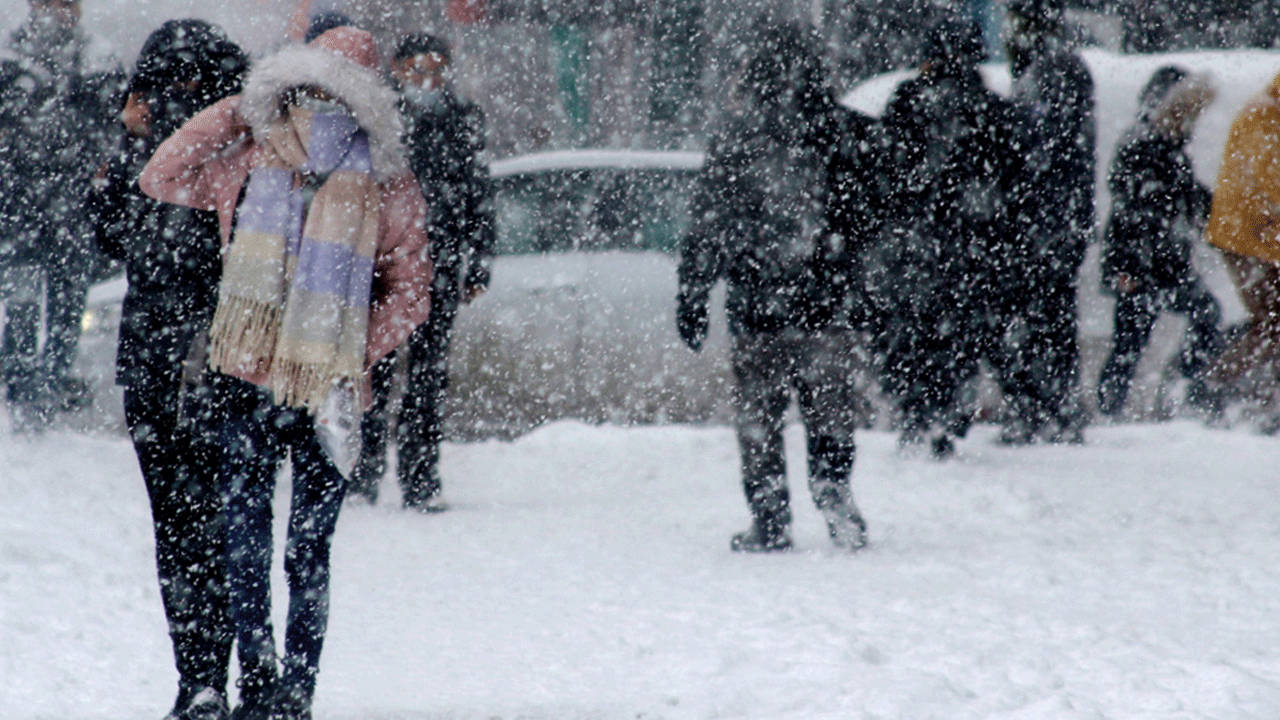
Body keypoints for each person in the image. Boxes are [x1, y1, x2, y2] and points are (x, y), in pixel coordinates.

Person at [139, 26, 432, 720]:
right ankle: (282, 684)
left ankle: (276, 684)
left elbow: (410, 291)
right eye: (302, 87)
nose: (313, 103)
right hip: (265, 384)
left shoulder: (379, 182)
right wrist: (243, 108)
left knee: (273, 541)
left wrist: (343, 352)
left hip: (310, 389)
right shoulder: (254, 157)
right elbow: (160, 175)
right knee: (287, 545)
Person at [90, 21, 249, 720]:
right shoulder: (153, 153)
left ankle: (214, 674)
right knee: (192, 529)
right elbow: (103, 230)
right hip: (167, 362)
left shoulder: (237, 151)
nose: (176, 97)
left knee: (205, 529)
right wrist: (127, 138)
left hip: (211, 359)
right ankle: (205, 676)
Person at [676, 21, 872, 553]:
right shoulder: (845, 132)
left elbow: (708, 224)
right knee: (830, 416)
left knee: (759, 422)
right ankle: (834, 495)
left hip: (758, 305)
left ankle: (769, 518)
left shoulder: (737, 138)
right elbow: (874, 218)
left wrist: (693, 293)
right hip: (827, 307)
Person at [347, 32, 494, 511]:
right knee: (375, 372)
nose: (427, 81)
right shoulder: (377, 119)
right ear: (397, 68)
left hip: (440, 264)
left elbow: (479, 193)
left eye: (437, 70)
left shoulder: (463, 120)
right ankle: (363, 472)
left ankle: (421, 477)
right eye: (418, 70)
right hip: (383, 266)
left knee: (428, 377)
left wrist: (480, 262)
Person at [874, 16, 1023, 459]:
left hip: (915, 244)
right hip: (974, 247)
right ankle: (948, 418)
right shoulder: (992, 108)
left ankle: (913, 412)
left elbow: (882, 169)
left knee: (911, 333)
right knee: (961, 337)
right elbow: (1014, 183)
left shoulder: (907, 101)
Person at [0, 0, 124, 431]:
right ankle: (20, 392)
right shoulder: (10, 59)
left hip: (72, 212)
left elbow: (112, 130)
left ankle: (49, 392)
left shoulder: (98, 59)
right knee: (21, 306)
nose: (59, 12)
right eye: (51, 3)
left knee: (67, 310)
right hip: (18, 213)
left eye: (66, 4)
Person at [1096, 67, 1224, 419]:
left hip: (1165, 265)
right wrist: (1127, 269)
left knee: (1201, 315)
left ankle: (1181, 386)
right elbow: (1131, 213)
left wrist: (1220, 214)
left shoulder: (1169, 148)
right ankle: (1115, 408)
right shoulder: (1141, 146)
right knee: (1130, 342)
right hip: (1139, 266)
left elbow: (1188, 198)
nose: (1192, 124)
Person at [1000, 0, 1096, 444]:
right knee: (1052, 317)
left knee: (1041, 318)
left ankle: (1043, 410)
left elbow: (1039, 146)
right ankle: (1051, 408)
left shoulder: (1050, 72)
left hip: (1043, 223)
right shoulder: (1062, 68)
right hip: (1058, 220)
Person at [1201, 71, 1280, 424]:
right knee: (1271, 323)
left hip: (1264, 237)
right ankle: (1214, 386)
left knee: (1273, 322)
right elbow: (1273, 177)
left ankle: (1261, 397)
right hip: (1245, 239)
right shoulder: (1263, 114)